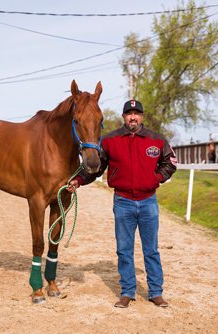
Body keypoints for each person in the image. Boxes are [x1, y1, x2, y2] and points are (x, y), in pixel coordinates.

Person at [67, 99, 177, 308]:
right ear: (124, 117)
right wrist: (78, 180)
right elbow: (96, 168)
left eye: (136, 113)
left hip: (148, 202)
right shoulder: (109, 140)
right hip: (123, 202)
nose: (133, 117)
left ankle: (156, 293)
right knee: (124, 250)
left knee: (151, 250)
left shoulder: (156, 139)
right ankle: (127, 292)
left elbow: (170, 162)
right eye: (129, 114)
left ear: (142, 117)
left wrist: (155, 179)